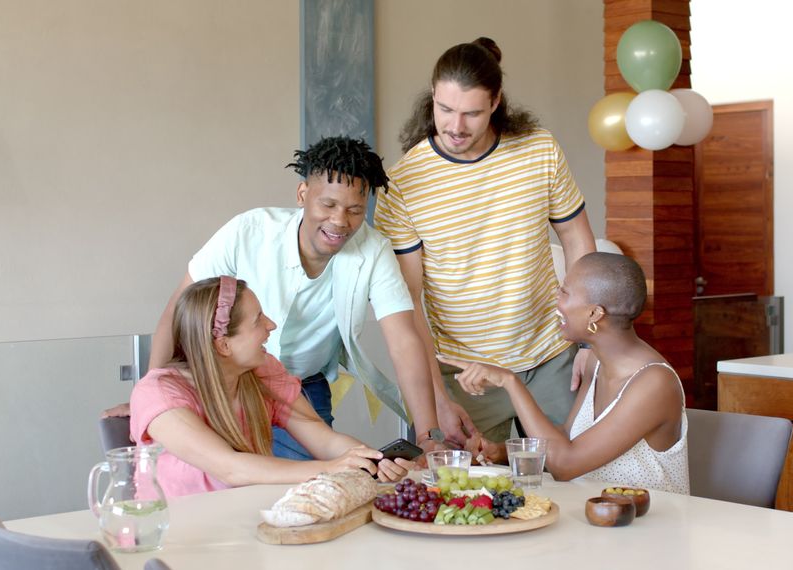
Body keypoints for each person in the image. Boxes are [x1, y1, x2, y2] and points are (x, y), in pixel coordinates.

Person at [112, 136, 444, 458]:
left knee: (312, 485)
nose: (340, 221)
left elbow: (403, 342)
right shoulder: (248, 231)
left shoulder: (374, 251)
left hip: (302, 387)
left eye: (355, 210)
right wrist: (152, 394)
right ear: (302, 194)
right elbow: (177, 312)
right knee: (225, 478)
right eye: (328, 205)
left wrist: (428, 435)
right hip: (226, 384)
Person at [374, 37, 597, 448]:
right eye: (445, 109)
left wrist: (589, 339)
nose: (456, 127)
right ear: (432, 96)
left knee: (579, 475)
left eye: (472, 113)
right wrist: (438, 400)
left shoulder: (539, 150)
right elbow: (408, 302)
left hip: (552, 358)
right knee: (467, 486)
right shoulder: (402, 184)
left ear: (495, 101)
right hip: (464, 376)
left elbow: (577, 239)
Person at [130, 276, 414, 497]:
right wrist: (329, 469)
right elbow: (230, 468)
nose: (271, 325)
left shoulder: (263, 372)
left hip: (245, 520)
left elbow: (325, 441)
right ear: (223, 345)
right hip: (175, 536)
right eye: (258, 320)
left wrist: (372, 460)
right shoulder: (158, 394)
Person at [442, 253, 689, 493]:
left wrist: (510, 381)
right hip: (594, 515)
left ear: (594, 313)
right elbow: (567, 437)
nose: (556, 299)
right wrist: (500, 451)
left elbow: (564, 465)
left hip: (654, 520)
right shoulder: (595, 361)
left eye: (564, 292)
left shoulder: (654, 384)